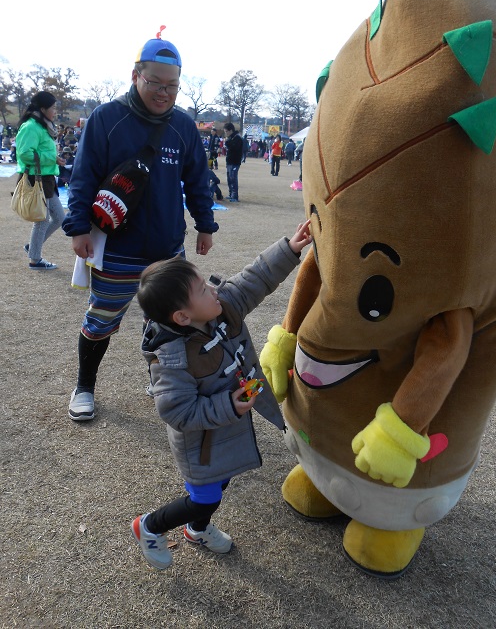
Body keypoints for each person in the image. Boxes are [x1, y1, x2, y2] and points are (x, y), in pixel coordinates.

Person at [131, 219, 313, 569]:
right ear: (183, 317)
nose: (212, 290)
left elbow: (254, 280)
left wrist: (289, 249)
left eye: (204, 282)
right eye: (201, 290)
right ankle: (149, 526)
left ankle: (196, 531)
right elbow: (178, 412)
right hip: (201, 442)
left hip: (227, 430)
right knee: (204, 497)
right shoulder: (172, 358)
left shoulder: (222, 306)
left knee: (222, 482)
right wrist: (227, 405)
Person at [62, 32, 219, 422]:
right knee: (101, 320)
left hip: (167, 250)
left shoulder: (183, 126)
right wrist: (78, 227)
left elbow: (198, 179)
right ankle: (84, 386)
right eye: (156, 84)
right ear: (135, 76)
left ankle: (163, 381)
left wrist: (205, 224)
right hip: (117, 248)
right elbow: (83, 176)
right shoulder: (106, 119)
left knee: (169, 322)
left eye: (173, 86)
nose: (164, 93)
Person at [16, 91, 67, 270]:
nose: (55, 111)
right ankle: (35, 259)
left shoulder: (43, 125)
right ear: (43, 109)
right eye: (53, 108)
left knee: (60, 218)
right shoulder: (31, 127)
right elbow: (24, 154)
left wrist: (55, 159)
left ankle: (32, 248)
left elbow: (42, 152)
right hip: (35, 178)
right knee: (42, 220)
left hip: (46, 178)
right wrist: (50, 158)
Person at [223, 122, 243, 202]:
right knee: (229, 178)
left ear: (230, 130)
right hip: (229, 161)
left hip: (235, 162)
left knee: (233, 178)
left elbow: (234, 149)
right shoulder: (230, 138)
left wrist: (227, 144)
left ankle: (235, 196)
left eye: (226, 131)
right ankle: (231, 194)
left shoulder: (237, 138)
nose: (225, 133)